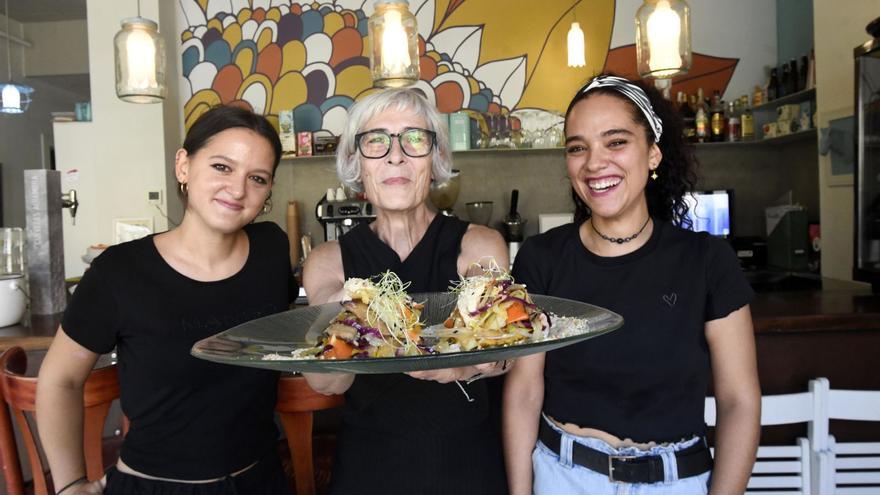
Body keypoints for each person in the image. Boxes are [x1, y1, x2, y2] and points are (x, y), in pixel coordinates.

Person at [503, 75, 761, 495]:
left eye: (616, 142)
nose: (593, 162)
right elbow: (524, 391)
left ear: (653, 153)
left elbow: (739, 402)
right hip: (564, 478)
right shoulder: (542, 257)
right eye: (577, 147)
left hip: (677, 482)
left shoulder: (706, 260)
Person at [36, 106, 295, 495]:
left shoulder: (272, 250)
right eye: (222, 167)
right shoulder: (119, 273)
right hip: (155, 486)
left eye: (256, 178)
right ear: (183, 166)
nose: (238, 189)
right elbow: (60, 379)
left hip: (261, 480)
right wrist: (69, 484)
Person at [302, 88, 510, 495]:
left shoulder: (480, 245)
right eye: (376, 141)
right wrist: (345, 325)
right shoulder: (328, 261)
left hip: (466, 462)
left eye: (415, 139)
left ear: (435, 161)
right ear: (356, 165)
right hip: (371, 467)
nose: (395, 156)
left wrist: (461, 368)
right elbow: (326, 382)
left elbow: (502, 356)